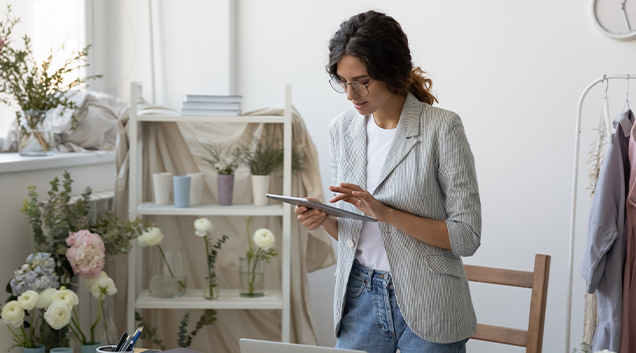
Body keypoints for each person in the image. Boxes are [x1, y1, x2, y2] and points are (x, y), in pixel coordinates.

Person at [294, 10, 482, 353]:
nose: (351, 94)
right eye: (342, 81)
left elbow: (467, 237)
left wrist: (386, 212)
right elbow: (357, 232)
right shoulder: (342, 129)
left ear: (391, 72)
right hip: (360, 297)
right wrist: (325, 220)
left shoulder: (442, 128)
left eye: (362, 81)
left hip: (431, 302)